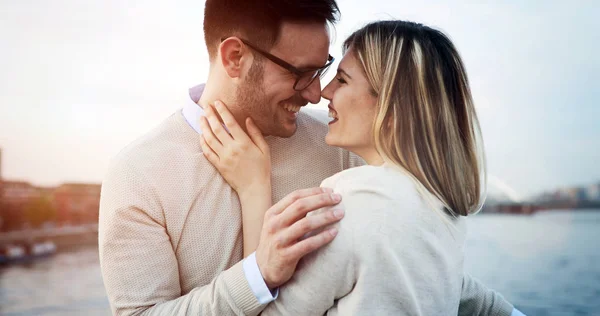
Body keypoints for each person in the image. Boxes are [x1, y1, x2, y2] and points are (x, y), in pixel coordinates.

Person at [99, 0, 520, 315]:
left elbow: (406, 257)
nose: (317, 92)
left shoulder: (338, 144)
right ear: (234, 57)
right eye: (299, 72)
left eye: (324, 69)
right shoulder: (137, 175)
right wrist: (256, 275)